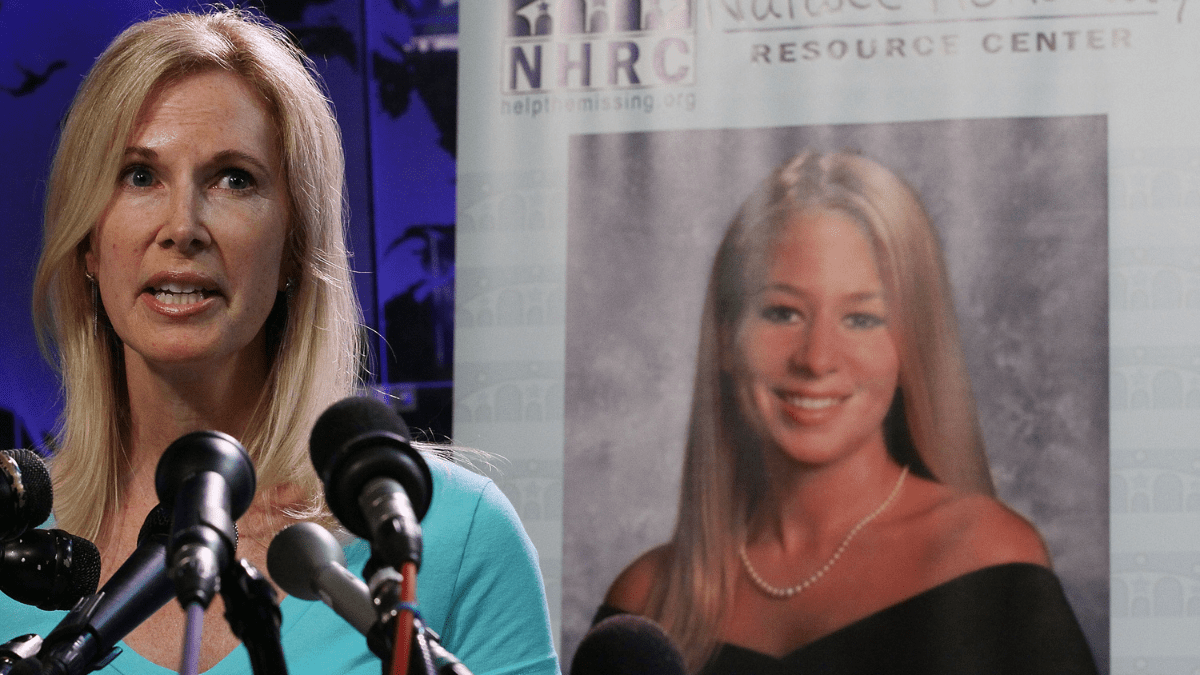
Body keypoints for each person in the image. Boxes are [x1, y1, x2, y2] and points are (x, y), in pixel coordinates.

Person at [0, 9, 559, 675]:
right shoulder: (13, 547)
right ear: (90, 241)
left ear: (295, 243)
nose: (183, 227)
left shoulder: (450, 541)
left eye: (234, 178)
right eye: (140, 175)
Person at [601, 151, 1097, 674]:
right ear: (725, 338)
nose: (816, 359)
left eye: (861, 319)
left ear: (912, 347)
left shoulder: (989, 558)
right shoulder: (645, 603)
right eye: (782, 312)